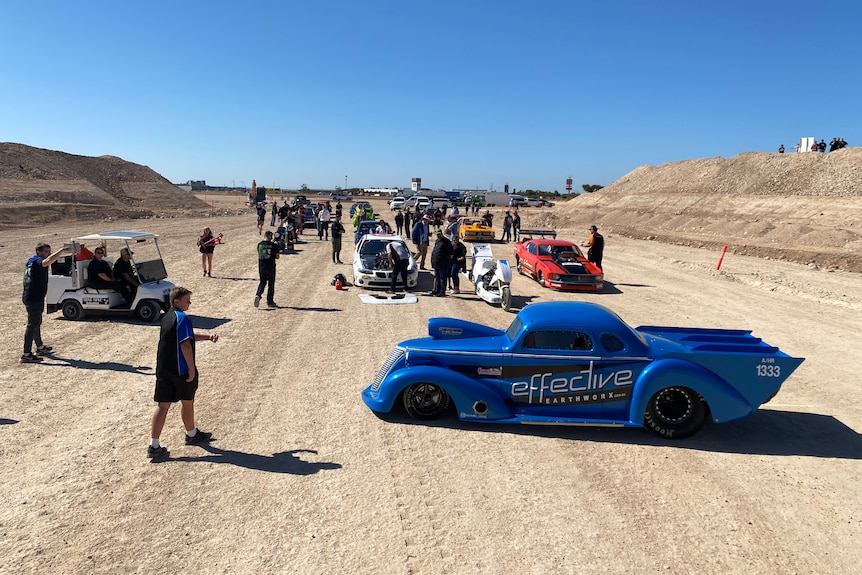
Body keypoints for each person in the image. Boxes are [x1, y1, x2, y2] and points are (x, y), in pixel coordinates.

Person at [147, 286, 219, 459]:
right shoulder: (183, 318)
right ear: (176, 301)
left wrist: (207, 337)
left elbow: (185, 337)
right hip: (181, 371)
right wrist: (192, 369)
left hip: (164, 369)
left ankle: (153, 445)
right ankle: (191, 434)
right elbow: (185, 344)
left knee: (162, 406)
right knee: (188, 402)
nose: (190, 303)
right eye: (187, 300)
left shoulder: (167, 317)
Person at [21, 243, 71, 363]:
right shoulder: (38, 261)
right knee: (32, 324)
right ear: (38, 251)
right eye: (46, 251)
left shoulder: (32, 261)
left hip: (34, 297)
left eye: (49, 251)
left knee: (37, 322)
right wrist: (62, 251)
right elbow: (48, 261)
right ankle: (26, 354)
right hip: (33, 298)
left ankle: (40, 347)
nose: (48, 253)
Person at [254, 231, 279, 308]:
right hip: (271, 266)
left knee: (262, 282)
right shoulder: (273, 245)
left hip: (262, 267)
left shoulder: (259, 244)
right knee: (271, 285)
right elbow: (277, 256)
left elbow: (259, 254)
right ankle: (270, 301)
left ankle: (258, 294)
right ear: (269, 236)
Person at [429, 229, 454, 296]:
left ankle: (442, 291)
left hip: (443, 263)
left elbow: (451, 253)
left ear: (442, 234)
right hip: (436, 263)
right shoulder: (437, 241)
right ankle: (437, 290)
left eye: (439, 234)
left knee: (442, 278)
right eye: (437, 235)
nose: (438, 236)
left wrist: (447, 260)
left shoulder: (446, 241)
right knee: (437, 278)